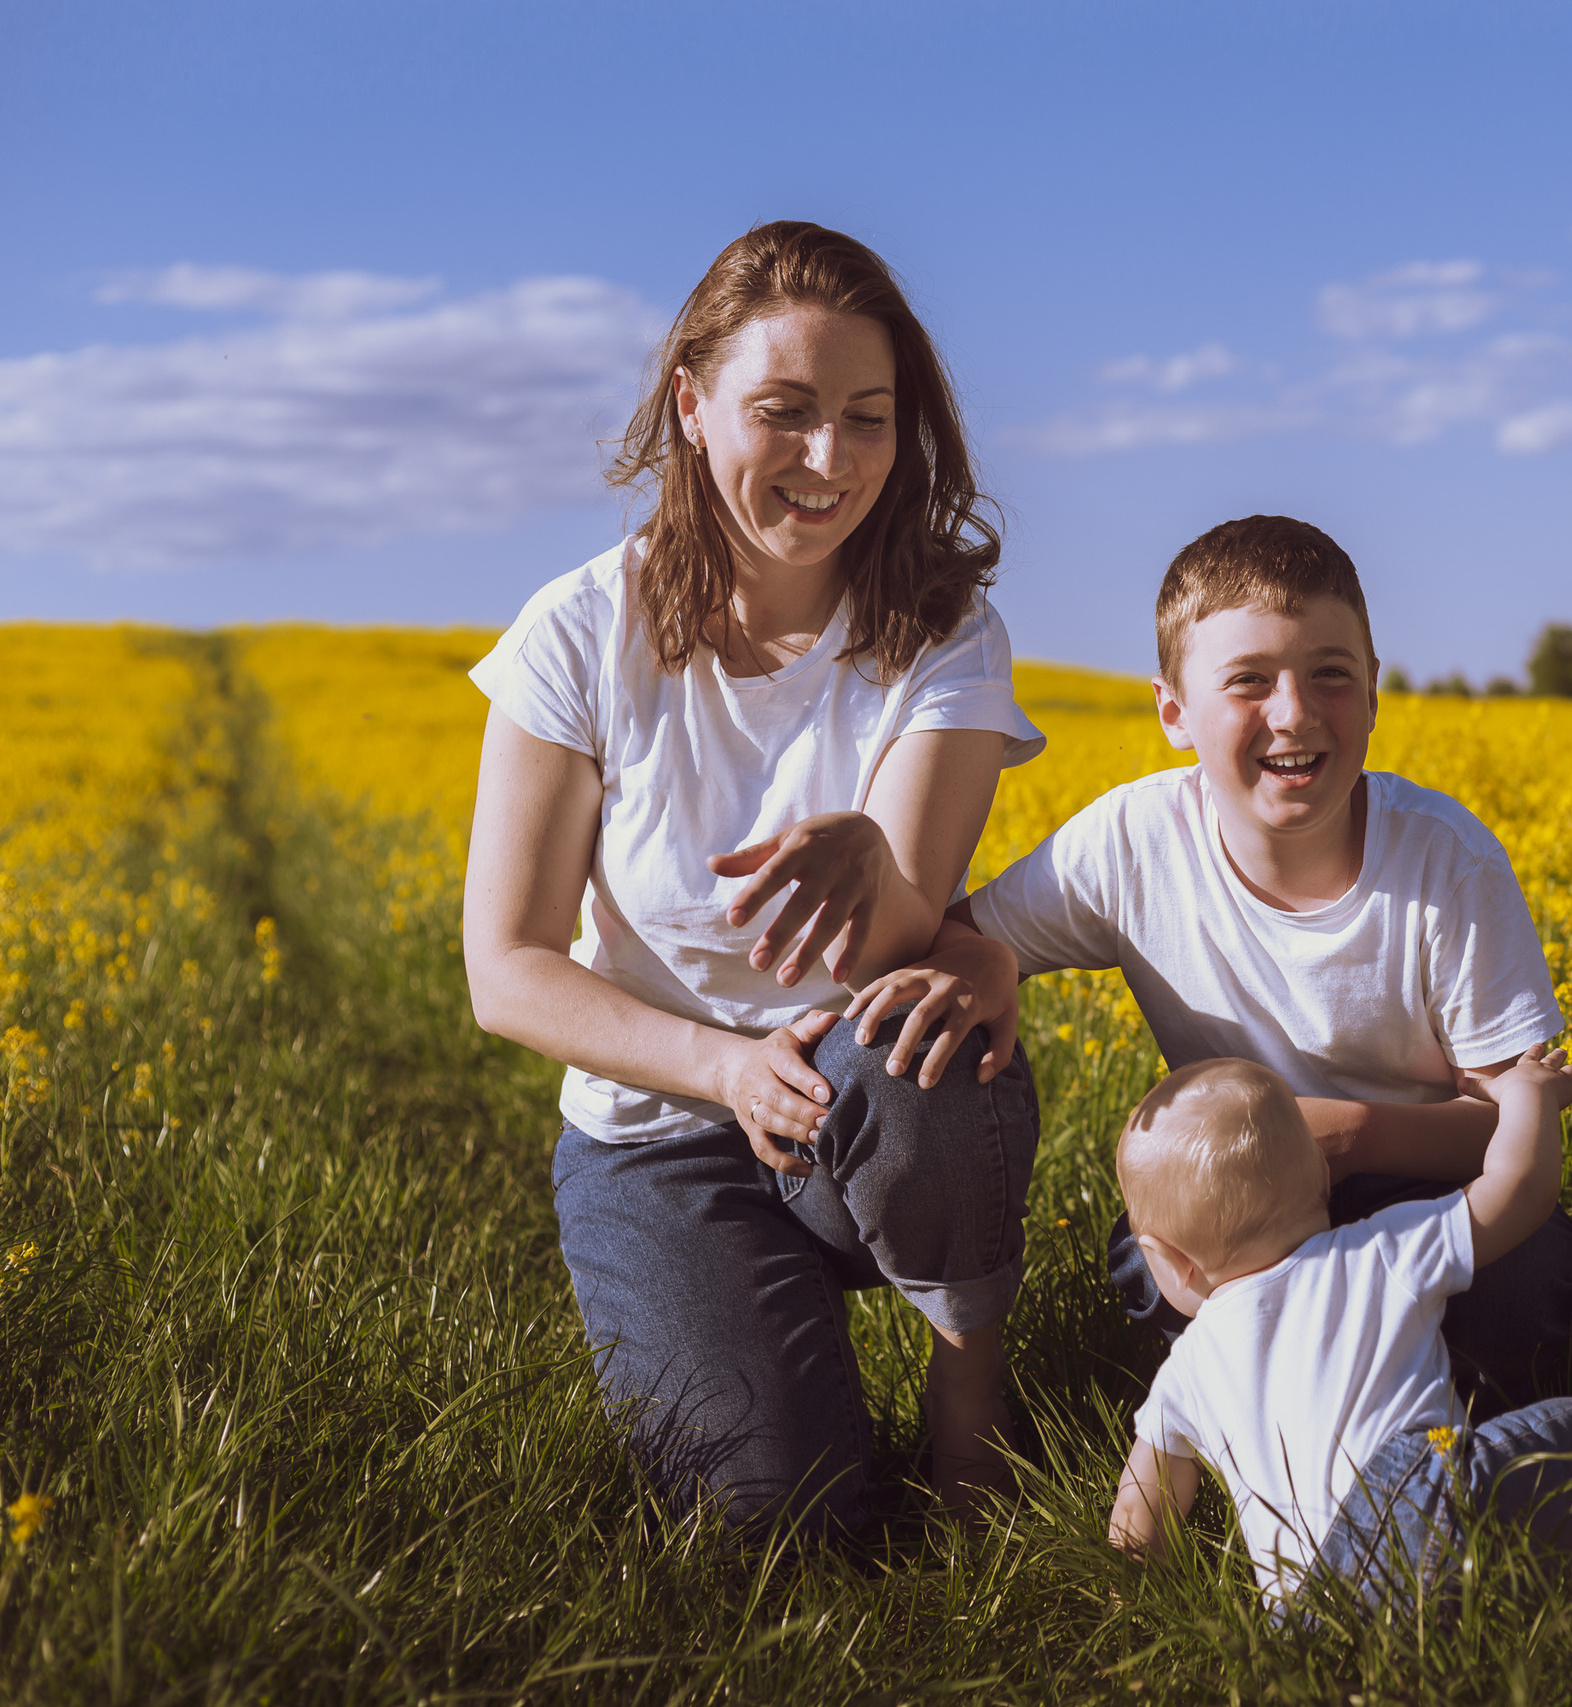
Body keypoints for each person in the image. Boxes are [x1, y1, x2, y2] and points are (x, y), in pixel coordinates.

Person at [461, 221, 1041, 1535]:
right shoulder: (577, 634)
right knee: (777, 1525)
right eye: (784, 411)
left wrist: (879, 871)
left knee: (920, 1038)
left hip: (861, 1097)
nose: (830, 458)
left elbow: (903, 932)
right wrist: (723, 1068)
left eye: (867, 418)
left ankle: (970, 1382)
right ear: (692, 404)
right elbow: (508, 969)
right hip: (659, 1136)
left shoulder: (944, 631)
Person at [945, 515, 1572, 1402]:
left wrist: (1350, 1134)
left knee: (1527, 1294)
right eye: (1249, 680)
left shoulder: (1447, 860)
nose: (1294, 712)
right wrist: (984, 960)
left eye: (1331, 674)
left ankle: (1352, 1411)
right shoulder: (1134, 842)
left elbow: (1508, 1122)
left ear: (1373, 692)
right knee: (1148, 1257)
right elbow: (959, 939)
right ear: (1173, 712)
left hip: (1433, 1192)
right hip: (1247, 1199)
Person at [1103, 1051, 1572, 1607]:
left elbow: (1138, 1522)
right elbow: (1523, 1188)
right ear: (1324, 1179)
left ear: (1168, 1260)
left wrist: (1126, 1606)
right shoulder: (1378, 1251)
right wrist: (1526, 1093)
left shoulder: (1186, 1369)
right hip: (1417, 1516)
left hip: (1306, 1614)